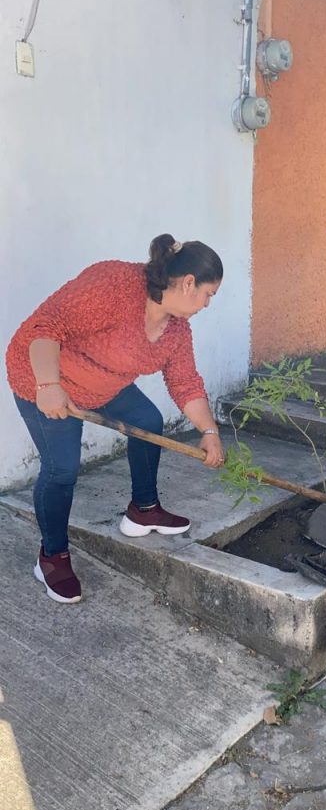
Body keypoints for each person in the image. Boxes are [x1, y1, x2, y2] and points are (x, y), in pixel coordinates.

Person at [6, 233, 225, 605]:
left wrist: (209, 431)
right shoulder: (114, 284)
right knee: (62, 469)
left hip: (104, 384)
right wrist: (48, 384)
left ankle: (142, 511)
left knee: (148, 420)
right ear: (189, 283)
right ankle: (52, 557)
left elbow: (186, 383)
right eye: (208, 294)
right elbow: (46, 328)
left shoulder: (176, 329)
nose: (207, 304)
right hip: (44, 376)